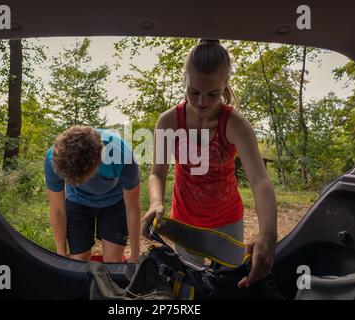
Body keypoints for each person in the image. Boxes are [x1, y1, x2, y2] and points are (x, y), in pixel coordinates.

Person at [142, 39, 278, 288]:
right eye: (194, 92)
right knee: (189, 285)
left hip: (228, 220)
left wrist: (268, 234)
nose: (202, 101)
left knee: (230, 286)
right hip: (184, 221)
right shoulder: (169, 121)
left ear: (224, 84)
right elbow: (157, 174)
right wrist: (156, 202)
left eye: (212, 94)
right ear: (185, 80)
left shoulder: (235, 124)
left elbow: (260, 181)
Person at [44, 125, 141, 263]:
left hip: (114, 202)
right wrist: (61, 252)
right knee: (78, 262)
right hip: (77, 202)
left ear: (98, 162)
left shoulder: (122, 155)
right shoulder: (52, 159)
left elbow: (133, 209)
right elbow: (58, 210)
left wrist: (135, 254)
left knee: (113, 261)